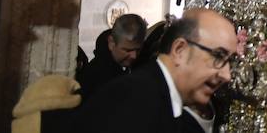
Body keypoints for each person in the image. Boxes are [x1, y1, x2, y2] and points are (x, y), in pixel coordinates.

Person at [76, 8, 237, 133]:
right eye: (218, 56)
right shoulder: (134, 101)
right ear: (180, 50)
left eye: (230, 61)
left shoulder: (158, 96)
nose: (226, 75)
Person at [77, 14, 146, 99]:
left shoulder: (142, 66)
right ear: (111, 43)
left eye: (138, 50)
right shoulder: (93, 78)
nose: (134, 56)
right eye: (127, 50)